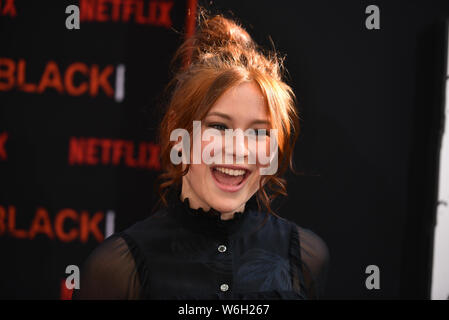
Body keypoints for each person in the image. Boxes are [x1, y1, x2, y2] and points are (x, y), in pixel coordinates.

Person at [72, 10, 330, 300]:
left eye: (258, 132)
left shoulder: (308, 257)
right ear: (177, 130)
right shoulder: (118, 268)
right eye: (219, 126)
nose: (238, 149)